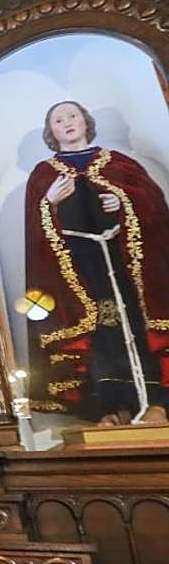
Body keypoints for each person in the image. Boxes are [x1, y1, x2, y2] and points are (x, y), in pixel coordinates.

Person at [24, 100, 169, 425]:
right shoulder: (44, 173)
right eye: (58, 120)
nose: (67, 122)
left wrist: (124, 200)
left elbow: (154, 205)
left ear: (85, 122)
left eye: (72, 115)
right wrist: (50, 202)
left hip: (123, 260)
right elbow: (35, 229)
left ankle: (158, 404)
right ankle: (110, 407)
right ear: (51, 131)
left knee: (136, 323)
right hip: (80, 267)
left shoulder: (119, 163)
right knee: (102, 335)